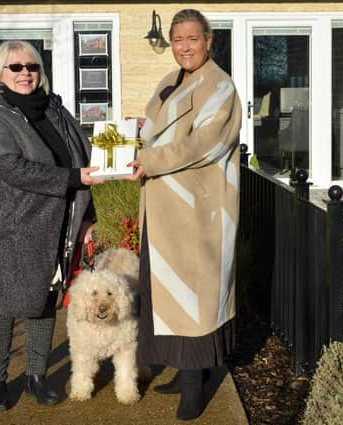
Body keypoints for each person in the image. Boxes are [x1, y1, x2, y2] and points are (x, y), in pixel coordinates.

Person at [0, 40, 103, 411]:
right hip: (7, 228)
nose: (25, 73)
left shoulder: (54, 110)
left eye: (32, 66)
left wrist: (88, 216)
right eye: (16, 67)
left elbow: (82, 157)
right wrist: (73, 177)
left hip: (53, 221)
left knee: (44, 302)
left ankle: (36, 376)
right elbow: (8, 166)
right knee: (1, 306)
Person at [126, 9, 242, 421]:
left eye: (192, 39)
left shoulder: (219, 86)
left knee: (194, 299)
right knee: (167, 295)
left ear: (208, 41)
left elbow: (203, 144)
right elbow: (164, 130)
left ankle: (194, 388)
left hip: (197, 212)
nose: (184, 47)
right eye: (178, 40)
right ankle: (184, 372)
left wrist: (149, 159)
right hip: (163, 209)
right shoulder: (172, 81)